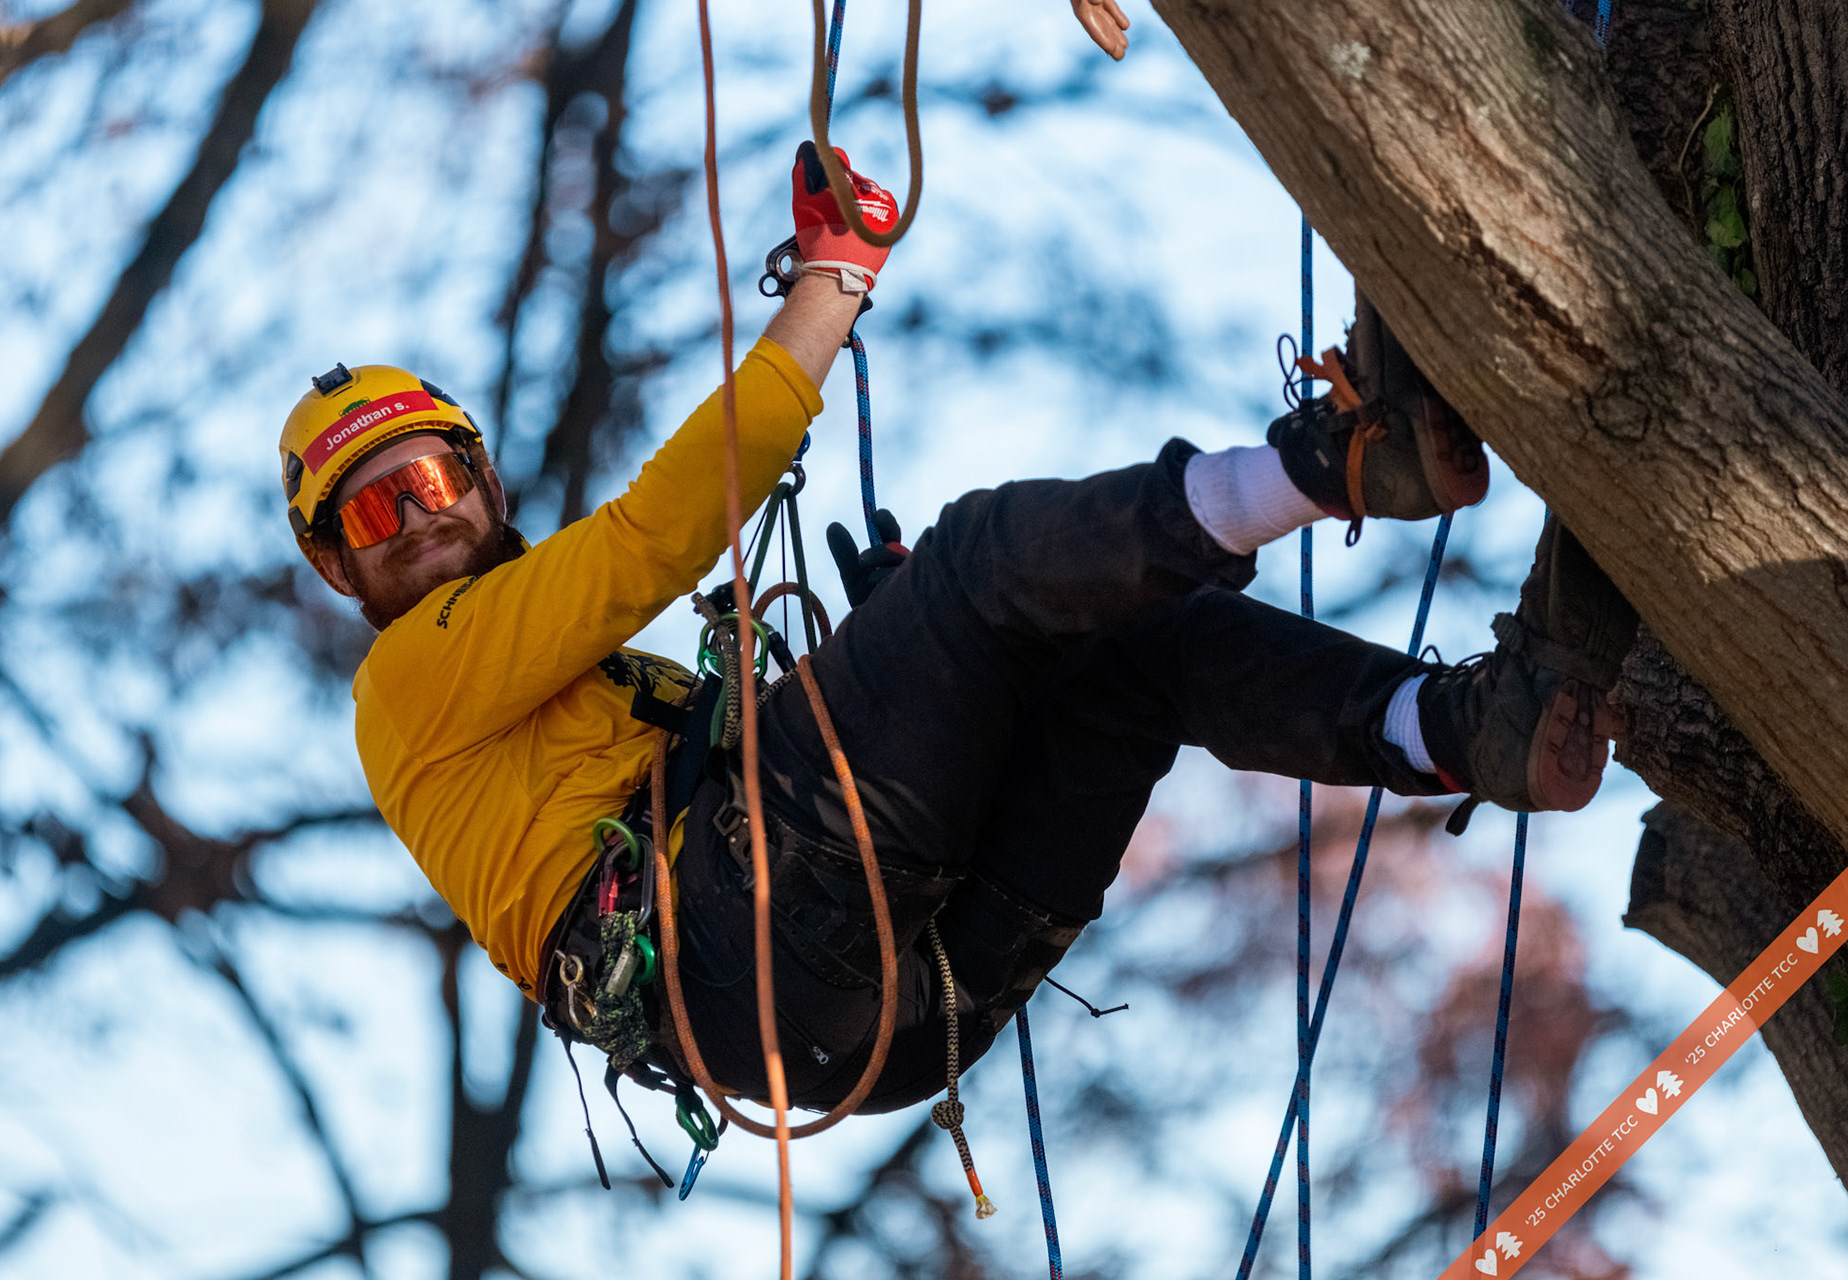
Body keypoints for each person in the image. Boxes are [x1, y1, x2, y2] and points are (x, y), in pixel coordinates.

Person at [277, 145, 1635, 1125]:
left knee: (1113, 658)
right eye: (370, 517)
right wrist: (831, 280)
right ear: (343, 574)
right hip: (745, 940)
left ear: (484, 481)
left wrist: (920, 664)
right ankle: (1333, 467)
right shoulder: (411, 683)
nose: (408, 522)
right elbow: (652, 541)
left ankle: (1459, 732)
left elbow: (772, 767)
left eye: (427, 482)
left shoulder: (557, 693)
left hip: (873, 1034)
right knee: (989, 558)